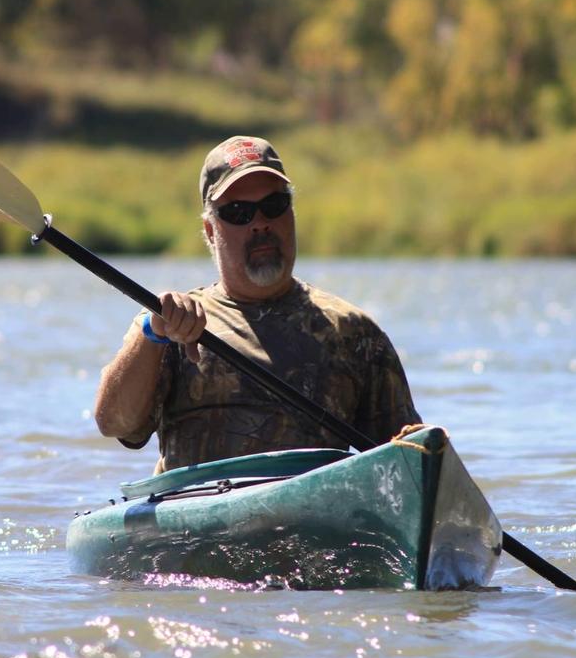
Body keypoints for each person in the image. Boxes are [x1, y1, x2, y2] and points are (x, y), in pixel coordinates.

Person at [94, 136, 420, 473]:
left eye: (274, 205)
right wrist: (152, 331)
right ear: (210, 230)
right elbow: (113, 423)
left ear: (291, 212)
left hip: (313, 517)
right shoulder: (171, 323)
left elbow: (407, 463)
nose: (260, 223)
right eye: (239, 212)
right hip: (199, 515)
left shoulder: (354, 332)